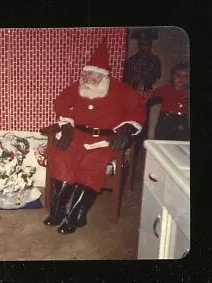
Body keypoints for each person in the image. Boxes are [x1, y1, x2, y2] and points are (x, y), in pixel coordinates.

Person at [43, 38, 146, 235]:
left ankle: (75, 217)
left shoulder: (120, 89)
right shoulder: (79, 86)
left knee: (91, 165)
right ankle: (57, 213)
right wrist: (66, 126)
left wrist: (125, 129)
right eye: (85, 73)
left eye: (92, 74)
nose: (87, 77)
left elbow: (138, 110)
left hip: (104, 141)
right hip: (77, 135)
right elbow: (61, 101)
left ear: (103, 75)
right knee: (63, 157)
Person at [146, 62, 190, 141]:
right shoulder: (164, 89)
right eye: (178, 76)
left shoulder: (187, 93)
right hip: (165, 120)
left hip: (182, 121)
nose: (181, 79)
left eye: (185, 77)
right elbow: (150, 95)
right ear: (172, 77)